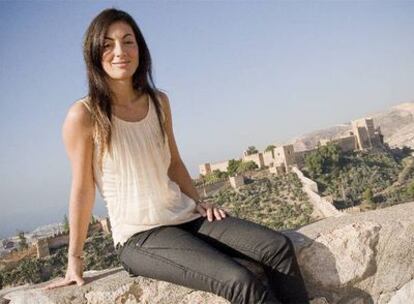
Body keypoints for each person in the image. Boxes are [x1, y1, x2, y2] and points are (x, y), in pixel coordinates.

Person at [43, 8, 310, 304]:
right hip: (140, 236)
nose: (120, 51)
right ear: (94, 53)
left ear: (140, 48)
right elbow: (82, 188)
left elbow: (174, 162)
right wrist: (74, 258)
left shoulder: (159, 102)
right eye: (107, 44)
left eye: (128, 41)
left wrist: (198, 202)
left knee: (278, 247)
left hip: (185, 215)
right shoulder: (83, 115)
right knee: (239, 281)